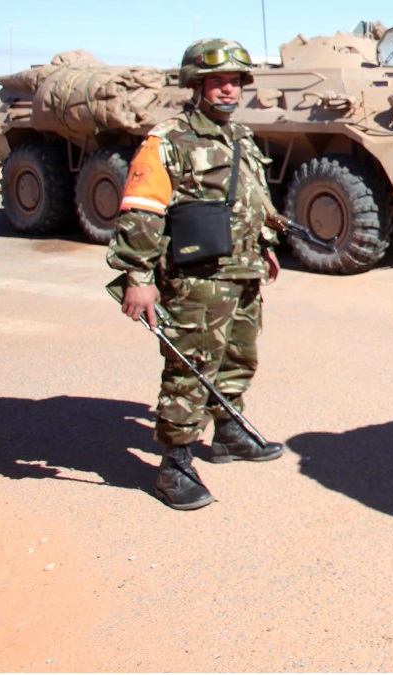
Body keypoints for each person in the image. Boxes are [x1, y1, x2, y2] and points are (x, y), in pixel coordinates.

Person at [107, 38, 284, 511]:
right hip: (197, 278)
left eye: (234, 82)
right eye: (217, 82)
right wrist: (138, 276)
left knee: (237, 356)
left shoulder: (240, 137)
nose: (228, 90)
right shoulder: (168, 139)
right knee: (190, 368)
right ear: (196, 85)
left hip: (242, 269)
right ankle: (174, 465)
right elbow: (142, 212)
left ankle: (229, 434)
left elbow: (253, 201)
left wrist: (265, 246)